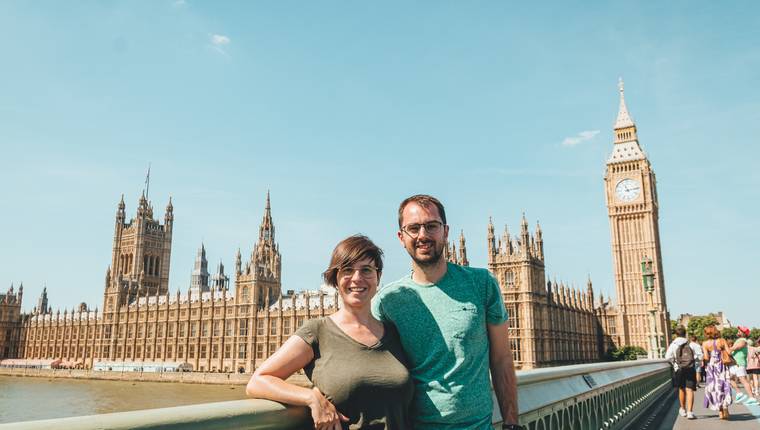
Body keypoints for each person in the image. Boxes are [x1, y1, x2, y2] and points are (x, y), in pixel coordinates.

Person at [372, 194, 520, 430]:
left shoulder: (482, 284)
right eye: (413, 228)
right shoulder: (386, 301)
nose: (423, 235)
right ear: (401, 237)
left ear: (446, 231)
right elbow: (360, 358)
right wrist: (313, 397)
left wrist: (512, 423)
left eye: (431, 226)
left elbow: (501, 358)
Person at [246, 235, 413, 429]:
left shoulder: (394, 332)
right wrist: (310, 396)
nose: (357, 278)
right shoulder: (317, 331)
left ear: (378, 276)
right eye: (348, 270)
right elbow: (257, 382)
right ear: (335, 278)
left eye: (367, 270)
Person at [665, 326, 699, 420]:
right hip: (690, 369)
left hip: (679, 369)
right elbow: (698, 356)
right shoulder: (691, 344)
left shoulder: (673, 344)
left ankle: (683, 409)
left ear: (676, 334)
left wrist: (675, 363)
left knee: (681, 389)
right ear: (685, 333)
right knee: (690, 390)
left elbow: (668, 357)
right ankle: (690, 412)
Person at [701, 325, 733, 419]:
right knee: (724, 385)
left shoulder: (705, 343)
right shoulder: (722, 340)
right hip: (722, 366)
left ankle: (720, 411)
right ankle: (725, 405)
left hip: (712, 367)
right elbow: (729, 352)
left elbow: (706, 357)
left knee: (715, 388)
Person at [729, 325, 758, 406]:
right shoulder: (739, 340)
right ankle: (739, 393)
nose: (738, 332)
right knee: (728, 377)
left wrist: (728, 349)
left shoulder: (743, 340)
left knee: (743, 380)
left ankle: (752, 398)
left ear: (743, 333)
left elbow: (736, 347)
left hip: (739, 363)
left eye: (740, 331)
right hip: (735, 363)